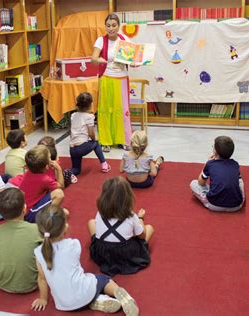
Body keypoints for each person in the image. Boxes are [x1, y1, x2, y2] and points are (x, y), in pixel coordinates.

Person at [31, 205, 139, 315]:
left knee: (81, 284)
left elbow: (42, 279)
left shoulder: (38, 252)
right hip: (84, 292)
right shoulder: (73, 245)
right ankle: (124, 297)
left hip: (62, 304)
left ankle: (96, 300)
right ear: (65, 227)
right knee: (104, 279)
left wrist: (43, 299)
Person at [88, 176, 154, 276]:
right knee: (149, 228)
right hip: (124, 253)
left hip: (103, 251)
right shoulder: (131, 216)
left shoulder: (100, 213)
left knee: (91, 222)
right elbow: (142, 236)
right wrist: (140, 218)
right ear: (127, 197)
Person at [91, 13, 132, 153]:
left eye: (114, 25)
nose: (111, 28)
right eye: (108, 26)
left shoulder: (125, 39)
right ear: (105, 26)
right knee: (106, 110)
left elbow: (131, 58)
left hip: (122, 78)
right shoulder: (100, 40)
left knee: (123, 110)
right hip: (107, 77)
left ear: (118, 26)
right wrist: (101, 60)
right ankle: (105, 141)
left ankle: (124, 140)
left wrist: (136, 61)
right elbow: (93, 58)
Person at [0, 188, 42, 293]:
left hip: (2, 284)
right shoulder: (35, 229)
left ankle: (2, 272)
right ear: (24, 209)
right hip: (34, 283)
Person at [8, 145, 64, 223]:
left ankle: (47, 215)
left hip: (22, 210)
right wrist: (59, 169)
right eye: (50, 158)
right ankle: (46, 220)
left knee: (64, 213)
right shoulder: (44, 179)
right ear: (46, 166)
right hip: (29, 213)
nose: (51, 160)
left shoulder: (31, 171)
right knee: (59, 194)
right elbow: (61, 186)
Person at [190, 136, 245, 212]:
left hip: (214, 205)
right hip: (236, 205)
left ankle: (208, 196)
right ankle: (237, 195)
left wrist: (207, 163)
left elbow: (201, 182)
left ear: (215, 151)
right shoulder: (235, 164)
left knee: (194, 183)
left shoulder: (210, 164)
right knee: (240, 181)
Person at [69, 92, 110, 175]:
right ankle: (104, 165)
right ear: (90, 104)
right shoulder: (89, 117)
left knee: (76, 169)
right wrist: (94, 141)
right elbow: (91, 133)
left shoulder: (73, 115)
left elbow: (71, 131)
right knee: (96, 144)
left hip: (72, 148)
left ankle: (65, 173)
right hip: (81, 147)